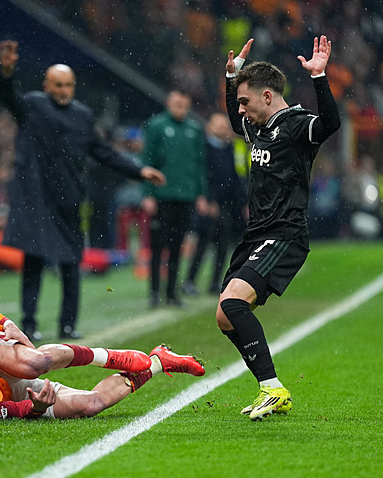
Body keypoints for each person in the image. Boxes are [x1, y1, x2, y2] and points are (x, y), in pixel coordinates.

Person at [0, 40, 165, 341]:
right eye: (58, 85)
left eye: (68, 85)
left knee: (71, 263)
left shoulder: (83, 115)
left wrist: (138, 171)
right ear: (47, 86)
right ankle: (29, 325)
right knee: (33, 262)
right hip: (36, 197)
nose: (63, 90)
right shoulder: (33, 105)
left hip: (69, 197)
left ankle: (68, 325)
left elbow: (103, 152)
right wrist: (7, 72)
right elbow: (8, 97)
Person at [217, 36, 341, 420]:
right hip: (257, 233)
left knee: (234, 303)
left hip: (285, 233)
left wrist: (319, 77)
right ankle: (269, 388)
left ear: (267, 96)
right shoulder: (257, 126)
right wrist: (232, 78)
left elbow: (330, 124)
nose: (240, 110)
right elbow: (235, 117)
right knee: (225, 315)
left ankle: (273, 388)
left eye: (245, 102)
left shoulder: (295, 125)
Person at [0, 301, 205, 420]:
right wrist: (37, 406)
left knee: (36, 363)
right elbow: (15, 410)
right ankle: (158, 362)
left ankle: (105, 356)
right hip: (7, 391)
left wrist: (5, 324)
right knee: (91, 405)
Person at [141, 90, 208, 308]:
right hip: (162, 196)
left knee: (178, 246)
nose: (181, 108)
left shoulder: (194, 129)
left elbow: (200, 164)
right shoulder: (156, 126)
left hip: (186, 196)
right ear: (169, 104)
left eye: (184, 105)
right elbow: (147, 160)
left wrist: (201, 194)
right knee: (157, 245)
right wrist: (148, 194)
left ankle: (171, 293)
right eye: (177, 104)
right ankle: (154, 292)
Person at [182, 112, 247, 296]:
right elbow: (200, 175)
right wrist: (207, 198)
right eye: (218, 125)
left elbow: (237, 177)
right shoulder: (203, 148)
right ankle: (189, 281)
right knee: (203, 243)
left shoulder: (232, 149)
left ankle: (216, 282)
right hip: (210, 204)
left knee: (223, 245)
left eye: (224, 125)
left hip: (228, 205)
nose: (222, 128)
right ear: (209, 127)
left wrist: (243, 202)